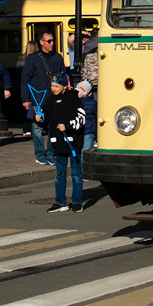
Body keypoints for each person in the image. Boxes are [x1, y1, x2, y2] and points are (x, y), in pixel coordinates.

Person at [21, 30, 68, 167]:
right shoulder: (33, 58)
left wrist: (63, 88)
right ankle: (40, 154)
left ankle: (50, 154)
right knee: (37, 127)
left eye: (53, 40)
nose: (52, 43)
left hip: (53, 97)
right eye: (49, 41)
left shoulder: (57, 57)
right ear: (41, 42)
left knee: (53, 126)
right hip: (37, 98)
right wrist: (25, 99)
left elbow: (63, 76)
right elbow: (25, 79)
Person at [43, 78, 88, 212]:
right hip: (58, 142)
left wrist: (67, 126)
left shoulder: (74, 98)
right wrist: (40, 117)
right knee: (60, 174)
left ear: (64, 86)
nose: (53, 88)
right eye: (52, 85)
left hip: (73, 142)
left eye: (56, 86)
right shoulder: (50, 100)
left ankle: (77, 202)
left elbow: (82, 119)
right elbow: (45, 115)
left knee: (76, 174)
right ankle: (60, 202)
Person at [78, 28, 99, 154]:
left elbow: (83, 72)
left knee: (90, 114)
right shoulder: (105, 48)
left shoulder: (86, 49)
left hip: (89, 89)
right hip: (102, 89)